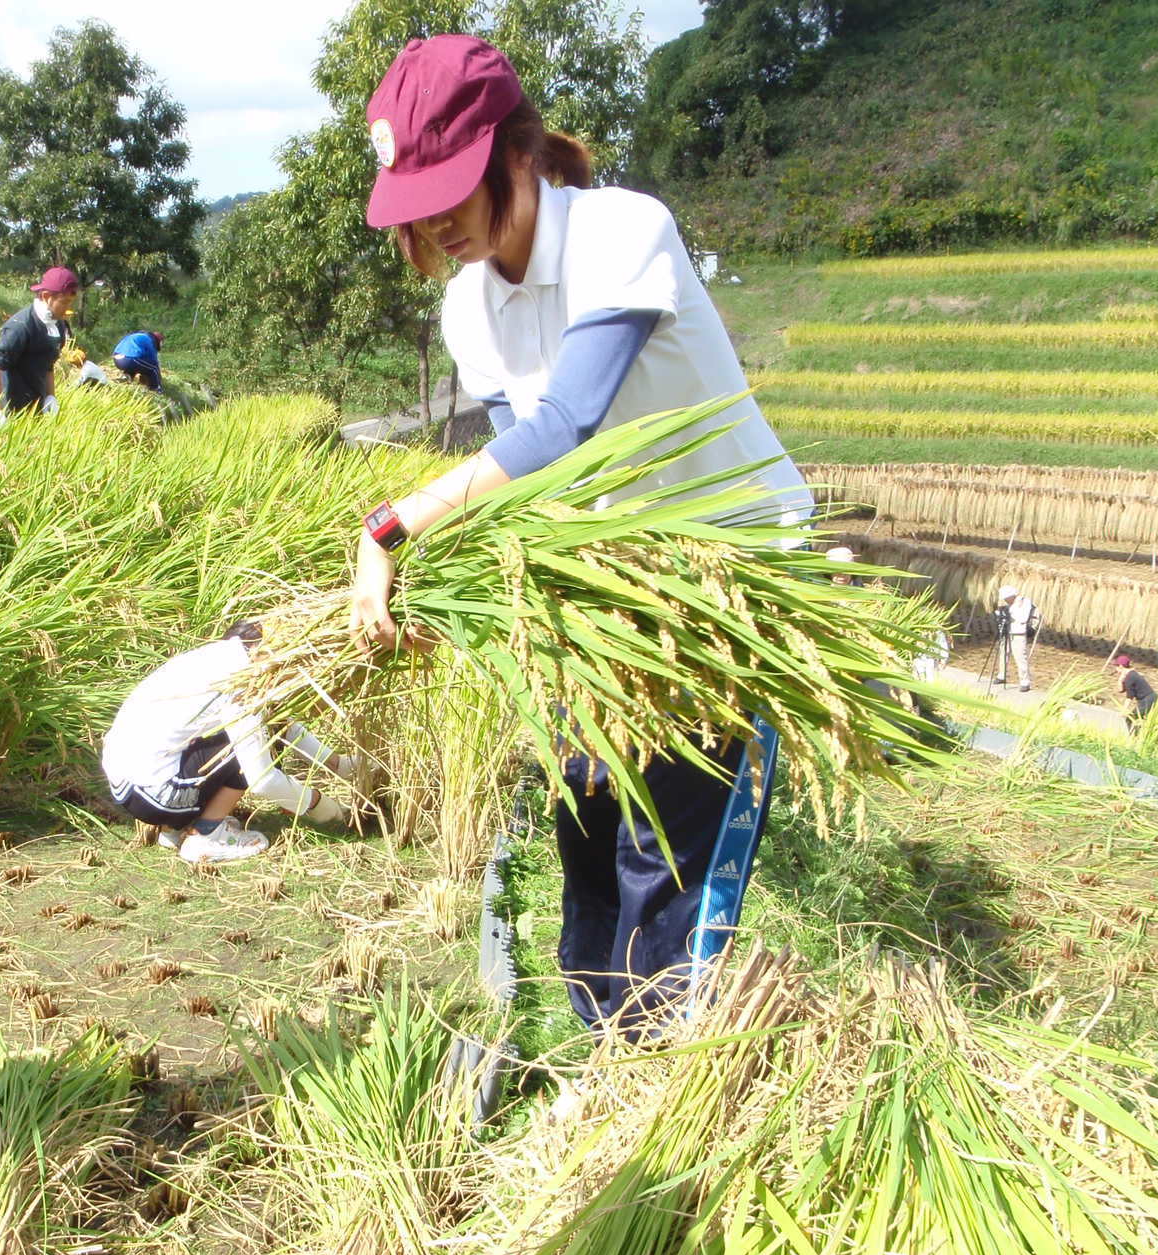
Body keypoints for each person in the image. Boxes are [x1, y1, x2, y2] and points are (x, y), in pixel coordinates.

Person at [347, 34, 810, 1039]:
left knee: (667, 852)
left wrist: (390, 529)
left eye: (451, 187)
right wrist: (454, 581)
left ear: (514, 150)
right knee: (589, 830)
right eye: (416, 202)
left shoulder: (619, 232)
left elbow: (565, 430)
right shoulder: (471, 306)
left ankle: (655, 1078)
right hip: (603, 586)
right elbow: (525, 484)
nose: (434, 222)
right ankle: (605, 1051)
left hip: (715, 579)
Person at [102, 620, 358, 865]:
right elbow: (262, 780)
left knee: (262, 726)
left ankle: (173, 829)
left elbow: (278, 720)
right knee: (251, 746)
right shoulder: (242, 684)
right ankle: (205, 835)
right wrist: (322, 806)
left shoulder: (217, 658)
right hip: (157, 796)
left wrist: (339, 765)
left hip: (130, 784)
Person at [0, 266, 79, 424]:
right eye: (64, 302)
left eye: (71, 303)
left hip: (35, 409)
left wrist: (50, 396)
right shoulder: (21, 326)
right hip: (9, 411)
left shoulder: (58, 326)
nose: (68, 308)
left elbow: (48, 365)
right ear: (46, 296)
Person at [994, 582, 1040, 691]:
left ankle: (1025, 682)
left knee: (1020, 657)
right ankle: (1002, 675)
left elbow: (1022, 617)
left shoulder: (1024, 602)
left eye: (1006, 598)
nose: (1005, 600)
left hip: (1018, 633)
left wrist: (1008, 614)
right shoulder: (1009, 605)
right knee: (1003, 653)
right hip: (1007, 631)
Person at [1109, 653, 1157, 730]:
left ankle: (1133, 737)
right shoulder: (1130, 675)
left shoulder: (1130, 678)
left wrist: (1123, 710)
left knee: (1129, 719)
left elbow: (1129, 697)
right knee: (1142, 719)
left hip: (1147, 700)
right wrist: (1120, 680)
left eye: (1116, 667)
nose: (1115, 669)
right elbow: (1121, 690)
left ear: (1121, 666)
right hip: (1148, 699)